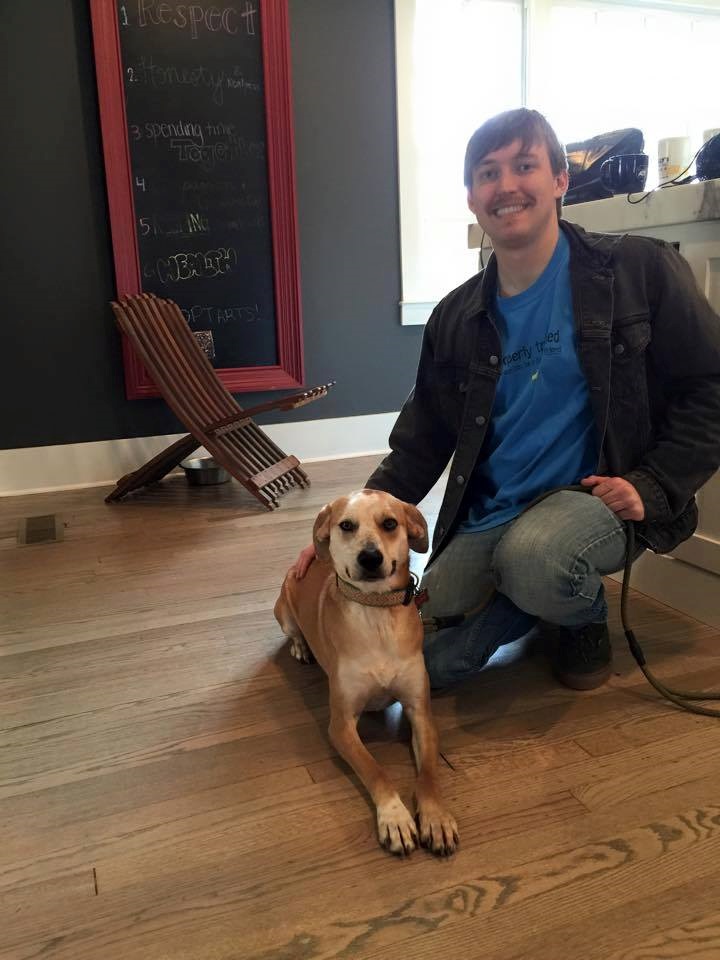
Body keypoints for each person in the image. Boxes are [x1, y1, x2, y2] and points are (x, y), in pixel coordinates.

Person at [294, 107, 720, 691]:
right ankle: (539, 600)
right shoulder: (455, 317)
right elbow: (422, 440)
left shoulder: (639, 270)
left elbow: (711, 385)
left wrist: (653, 483)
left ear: (560, 180)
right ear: (472, 197)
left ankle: (578, 614)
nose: (507, 185)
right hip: (492, 508)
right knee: (428, 659)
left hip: (592, 500)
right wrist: (346, 526)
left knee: (536, 561)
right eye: (488, 173)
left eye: (525, 166)